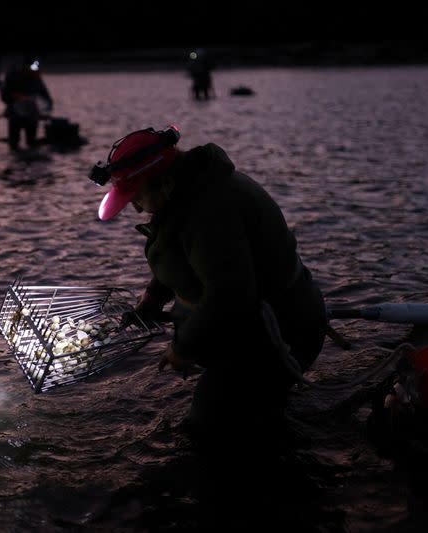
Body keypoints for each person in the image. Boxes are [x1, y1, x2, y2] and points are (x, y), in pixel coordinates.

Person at [90, 125, 328, 529]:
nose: (134, 208)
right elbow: (180, 259)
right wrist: (152, 299)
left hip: (278, 333)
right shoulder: (185, 197)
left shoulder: (209, 210)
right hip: (242, 328)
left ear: (162, 183)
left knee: (206, 427)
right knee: (247, 419)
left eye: (136, 197)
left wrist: (184, 347)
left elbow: (231, 293)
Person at [0, 54, 53, 151]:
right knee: (14, 142)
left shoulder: (35, 76)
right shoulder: (12, 75)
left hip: (31, 113)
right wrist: (15, 99)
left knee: (31, 142)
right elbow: (4, 94)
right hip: (15, 113)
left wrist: (48, 107)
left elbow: (44, 94)